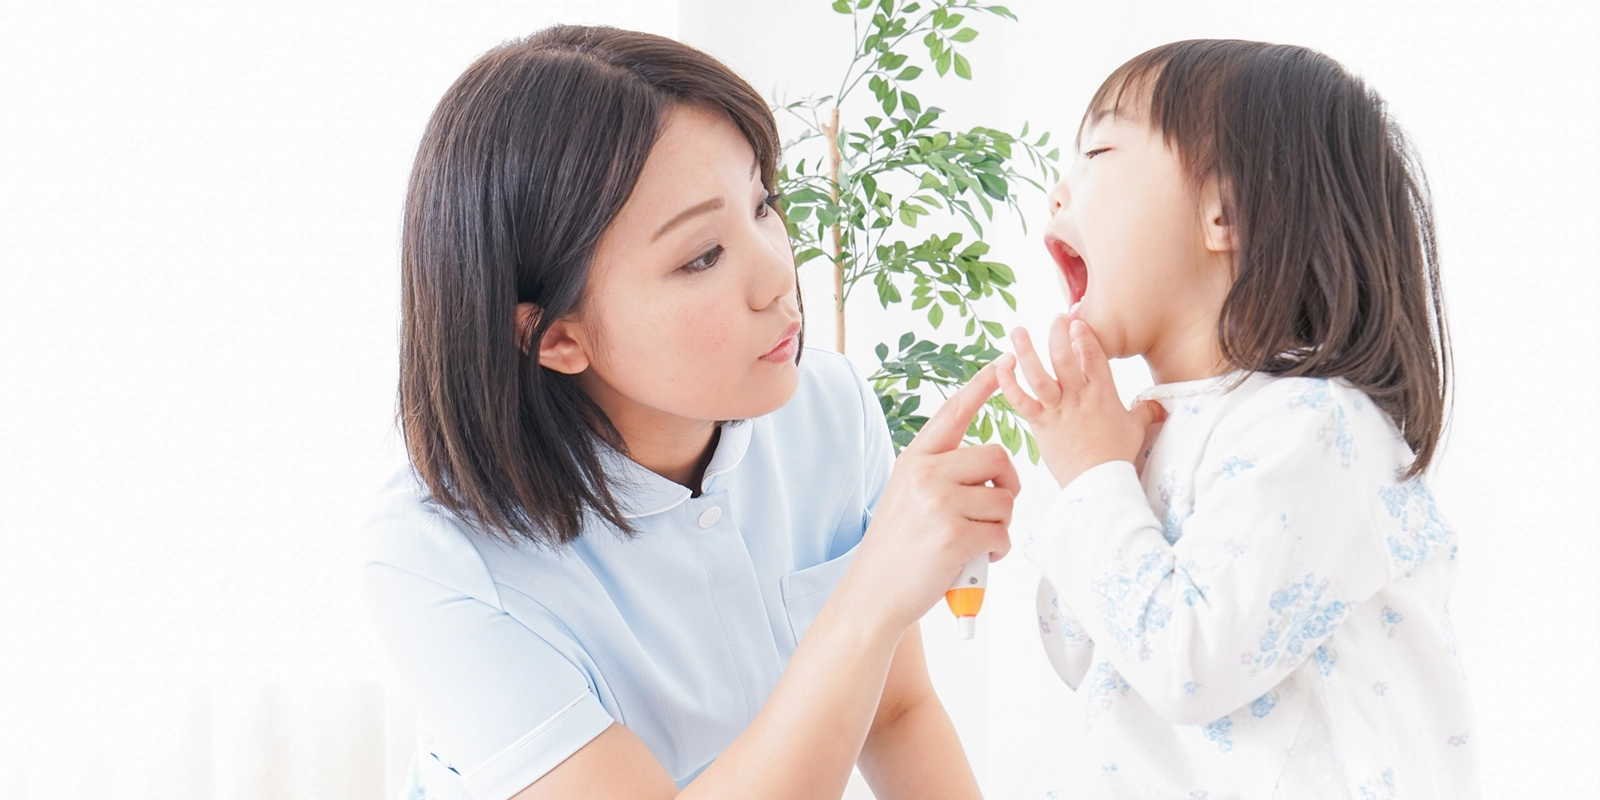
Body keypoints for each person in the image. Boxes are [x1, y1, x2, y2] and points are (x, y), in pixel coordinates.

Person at [362, 25, 1018, 800]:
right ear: (556, 337)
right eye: (702, 256)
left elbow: (899, 714)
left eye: (763, 204)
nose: (780, 276)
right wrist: (872, 596)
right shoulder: (437, 555)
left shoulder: (828, 410)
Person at [993, 40, 1477, 798]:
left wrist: (1095, 478)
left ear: (1226, 209)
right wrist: (1104, 474)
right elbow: (1085, 654)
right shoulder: (1156, 434)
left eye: (1098, 152)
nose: (1059, 194)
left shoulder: (1317, 430)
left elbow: (1188, 667)